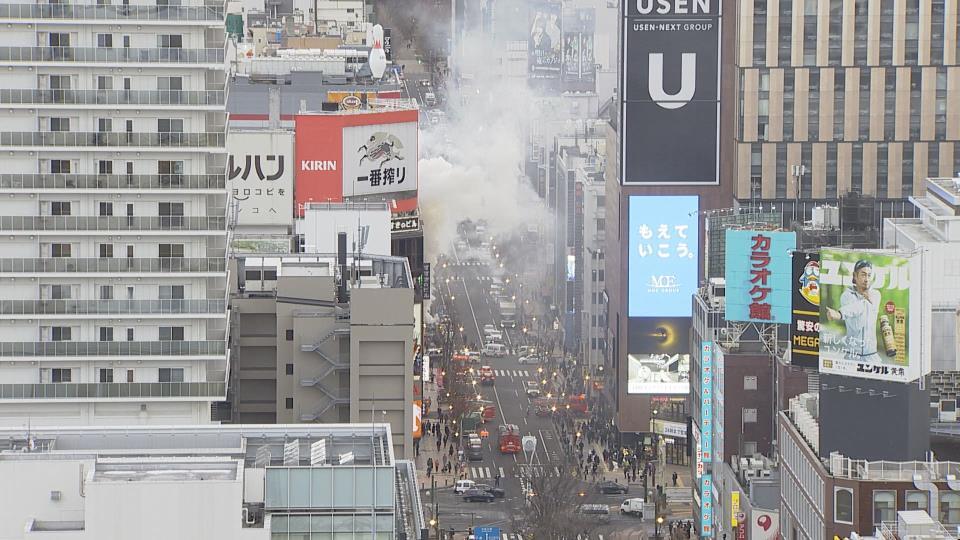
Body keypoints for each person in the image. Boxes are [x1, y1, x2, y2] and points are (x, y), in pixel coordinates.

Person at [824, 259, 882, 363]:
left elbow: (864, 306)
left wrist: (839, 314)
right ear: (855, 275)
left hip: (872, 356)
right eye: (863, 275)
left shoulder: (876, 294)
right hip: (853, 355)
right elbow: (855, 309)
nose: (867, 279)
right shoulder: (847, 296)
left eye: (869, 275)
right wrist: (841, 314)